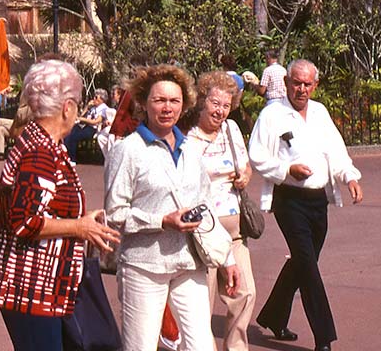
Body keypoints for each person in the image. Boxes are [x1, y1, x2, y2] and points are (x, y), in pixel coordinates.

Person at [104, 64, 240, 350]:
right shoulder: (127, 150)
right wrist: (162, 220)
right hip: (144, 266)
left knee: (201, 345)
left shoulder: (190, 149)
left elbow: (205, 204)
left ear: (185, 104)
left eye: (174, 101)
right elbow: (115, 214)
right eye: (160, 100)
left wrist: (227, 258)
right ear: (144, 103)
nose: (167, 107)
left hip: (188, 262)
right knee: (140, 346)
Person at [0, 59, 120, 350]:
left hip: (40, 285)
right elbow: (24, 222)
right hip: (32, 285)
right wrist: (78, 226)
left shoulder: (43, 144)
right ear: (67, 107)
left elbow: (39, 205)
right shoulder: (40, 152)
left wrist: (79, 218)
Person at [249, 59, 363, 351]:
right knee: (309, 268)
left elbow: (336, 150)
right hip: (289, 201)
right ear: (286, 82)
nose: (301, 89)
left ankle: (273, 315)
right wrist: (287, 171)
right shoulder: (272, 114)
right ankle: (324, 338)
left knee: (303, 263)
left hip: (317, 201)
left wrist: (349, 176)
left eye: (307, 84)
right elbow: (257, 155)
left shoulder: (321, 113)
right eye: (296, 82)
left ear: (315, 85)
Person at [183, 71, 257, 351]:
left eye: (226, 105)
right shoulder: (189, 137)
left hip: (234, 230)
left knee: (245, 292)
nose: (221, 111)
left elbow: (246, 165)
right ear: (202, 102)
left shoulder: (231, 130)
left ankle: (236, 347)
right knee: (203, 300)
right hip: (202, 233)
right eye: (216, 104)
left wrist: (245, 177)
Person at [62, 88, 114, 162]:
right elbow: (82, 116)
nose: (94, 99)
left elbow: (95, 122)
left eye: (96, 97)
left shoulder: (104, 109)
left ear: (102, 99)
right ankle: (65, 156)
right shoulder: (93, 107)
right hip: (84, 126)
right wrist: (87, 107)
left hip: (92, 128)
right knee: (67, 132)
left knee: (73, 136)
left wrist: (81, 119)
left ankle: (71, 158)